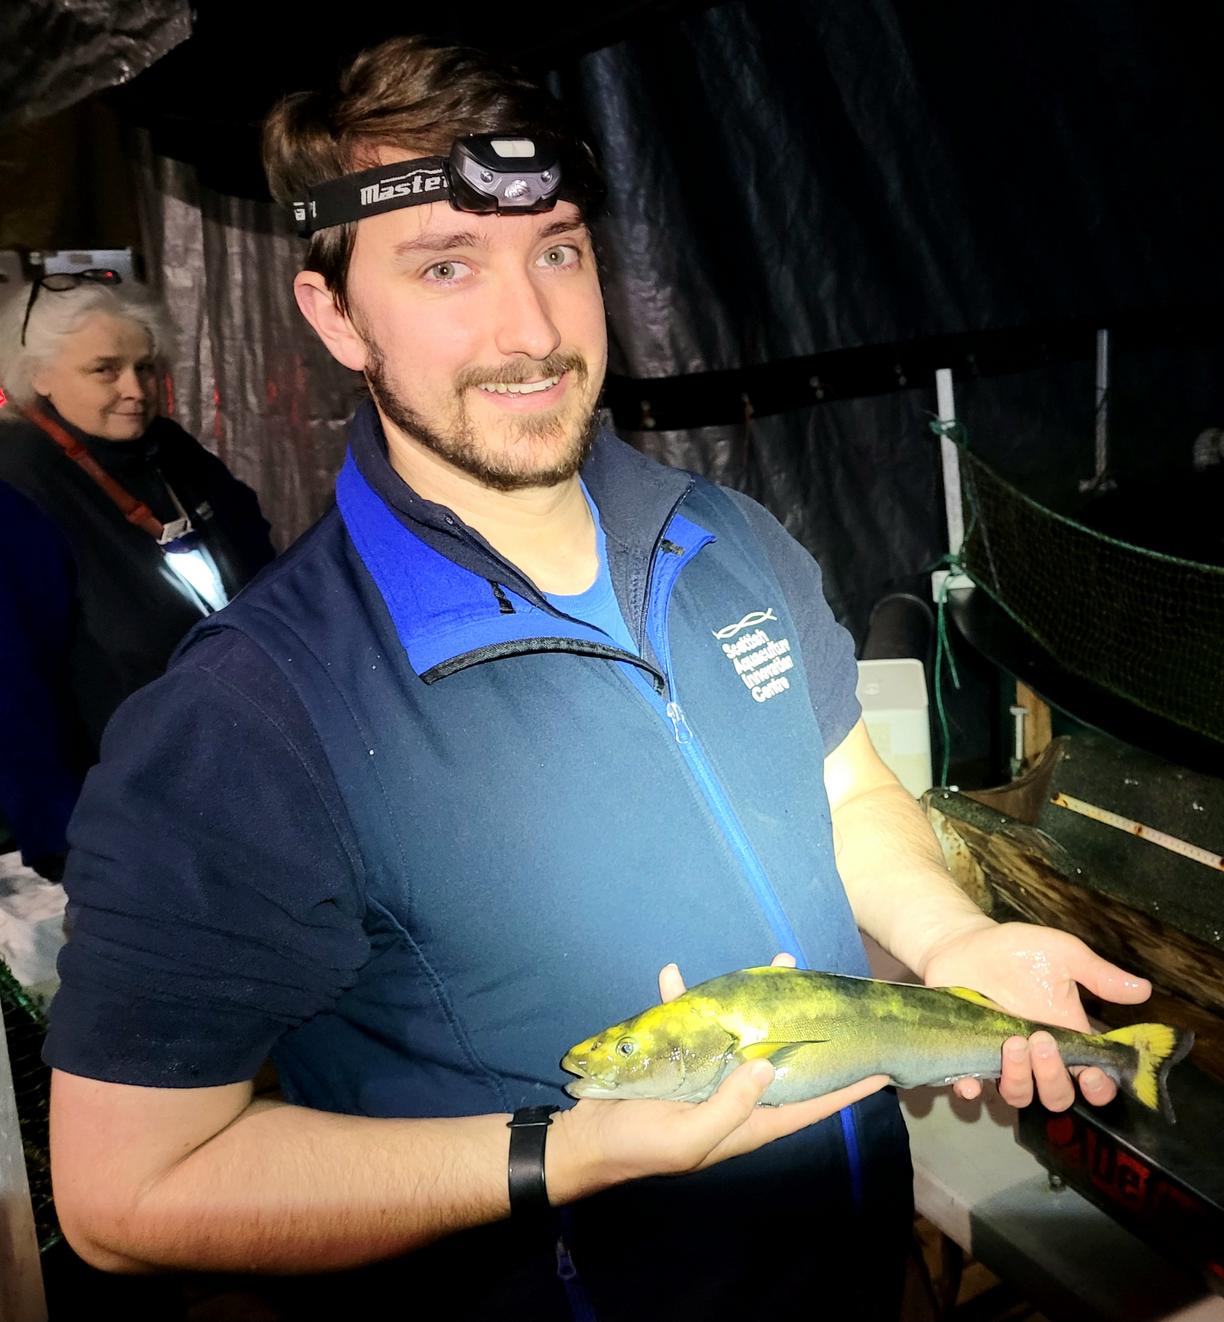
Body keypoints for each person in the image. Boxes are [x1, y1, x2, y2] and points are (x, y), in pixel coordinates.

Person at [44, 37, 1153, 1321]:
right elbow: (130, 1190)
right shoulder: (249, 718)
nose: (533, 329)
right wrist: (561, 1154)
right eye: (445, 266)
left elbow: (845, 795)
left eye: (558, 249)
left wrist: (954, 942)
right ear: (332, 312)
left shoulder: (730, 541)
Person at [0, 274, 275, 878]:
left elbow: (260, 559)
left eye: (146, 367)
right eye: (105, 369)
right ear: (39, 375)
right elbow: (13, 689)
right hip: (132, 819)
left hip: (239, 772)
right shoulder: (19, 491)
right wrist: (68, 843)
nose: (135, 390)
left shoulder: (166, 449)